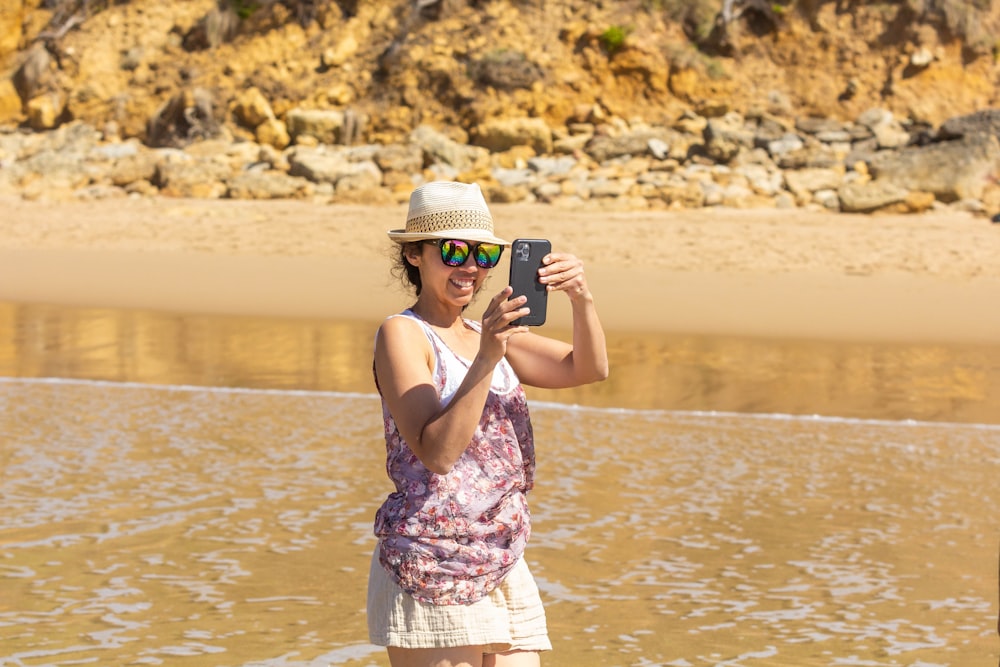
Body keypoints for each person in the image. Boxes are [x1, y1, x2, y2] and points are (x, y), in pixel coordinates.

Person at [367, 181, 609, 667]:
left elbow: (588, 368)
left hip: (500, 555)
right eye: (454, 251)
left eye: (484, 254)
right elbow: (436, 452)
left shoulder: (487, 334)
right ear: (415, 254)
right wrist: (488, 355)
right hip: (431, 561)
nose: (471, 267)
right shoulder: (403, 334)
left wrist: (580, 298)